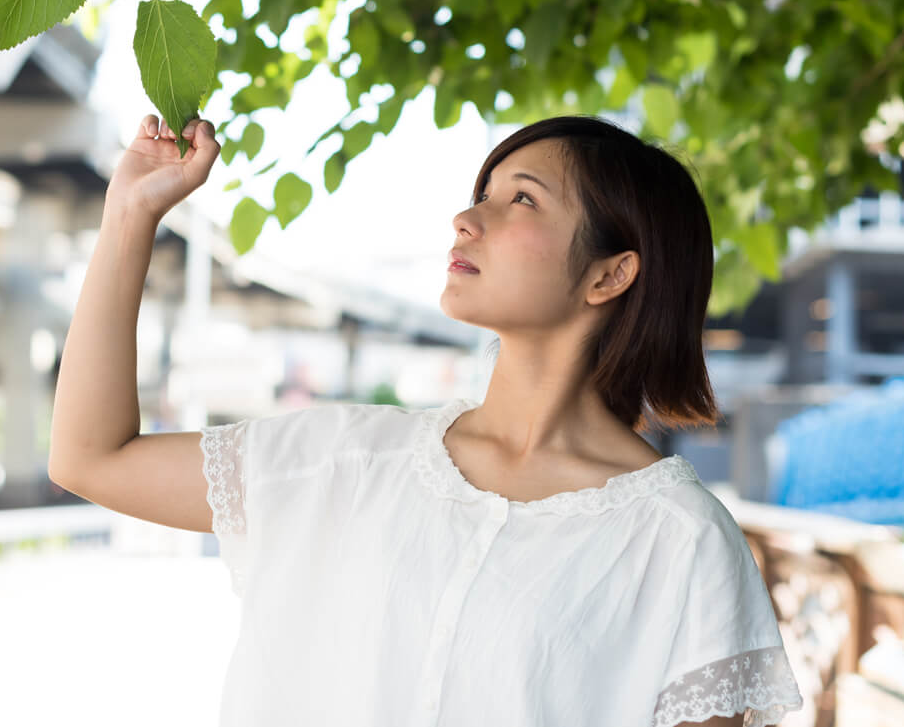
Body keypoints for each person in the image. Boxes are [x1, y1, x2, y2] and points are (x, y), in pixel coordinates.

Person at [47, 112, 805, 727]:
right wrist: (130, 214)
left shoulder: (680, 541)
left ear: (610, 273)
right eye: (484, 192)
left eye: (523, 199)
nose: (467, 218)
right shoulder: (344, 459)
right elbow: (90, 456)